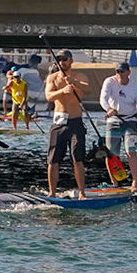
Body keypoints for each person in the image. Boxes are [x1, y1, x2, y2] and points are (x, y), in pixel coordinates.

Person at [100, 60, 137, 190]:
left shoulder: (135, 88)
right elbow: (103, 98)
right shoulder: (109, 82)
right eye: (117, 72)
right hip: (113, 121)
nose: (119, 75)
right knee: (111, 154)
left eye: (122, 72)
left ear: (128, 72)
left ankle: (135, 182)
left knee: (131, 151)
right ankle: (114, 183)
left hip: (130, 122)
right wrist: (108, 109)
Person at [44, 51, 87, 197]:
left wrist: (73, 82)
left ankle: (81, 192)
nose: (62, 62)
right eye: (59, 60)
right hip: (59, 122)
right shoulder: (53, 78)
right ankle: (52, 192)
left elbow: (88, 89)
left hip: (75, 121)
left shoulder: (79, 76)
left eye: (65, 59)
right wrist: (62, 91)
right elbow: (49, 96)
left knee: (78, 158)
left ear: (71, 61)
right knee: (53, 159)